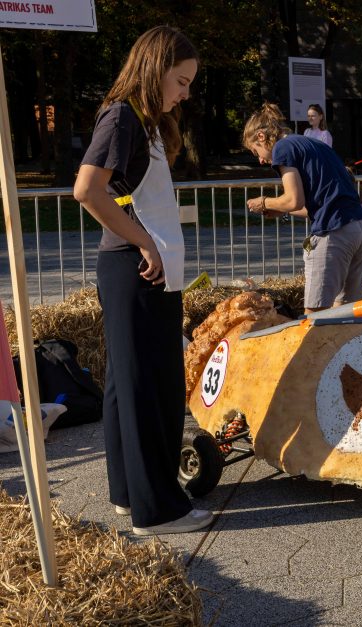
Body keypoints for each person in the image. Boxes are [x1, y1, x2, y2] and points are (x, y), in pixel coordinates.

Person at [72, 26, 213, 536]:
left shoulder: (141, 120)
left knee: (128, 385)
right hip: (136, 268)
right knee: (148, 386)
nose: (185, 93)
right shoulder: (122, 117)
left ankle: (130, 495)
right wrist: (146, 242)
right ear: (154, 70)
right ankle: (158, 510)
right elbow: (86, 189)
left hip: (136, 267)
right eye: (181, 80)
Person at [243, 103, 362, 313]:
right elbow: (310, 205)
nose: (261, 160)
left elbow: (293, 200)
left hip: (333, 232)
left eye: (256, 151)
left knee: (315, 315)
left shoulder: (283, 148)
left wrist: (264, 202)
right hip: (359, 227)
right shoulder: (311, 143)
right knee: (348, 312)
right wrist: (281, 208)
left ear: (261, 136)